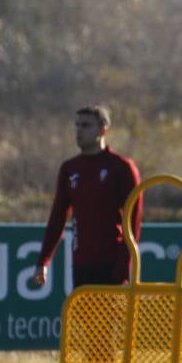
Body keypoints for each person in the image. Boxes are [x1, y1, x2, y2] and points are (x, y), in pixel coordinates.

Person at [33, 105, 142, 290]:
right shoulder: (70, 169)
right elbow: (58, 217)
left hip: (111, 266)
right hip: (81, 265)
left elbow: (133, 221)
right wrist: (43, 260)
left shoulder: (122, 167)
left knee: (112, 320)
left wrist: (123, 269)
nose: (79, 131)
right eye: (77, 125)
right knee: (83, 320)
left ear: (103, 129)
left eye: (86, 125)